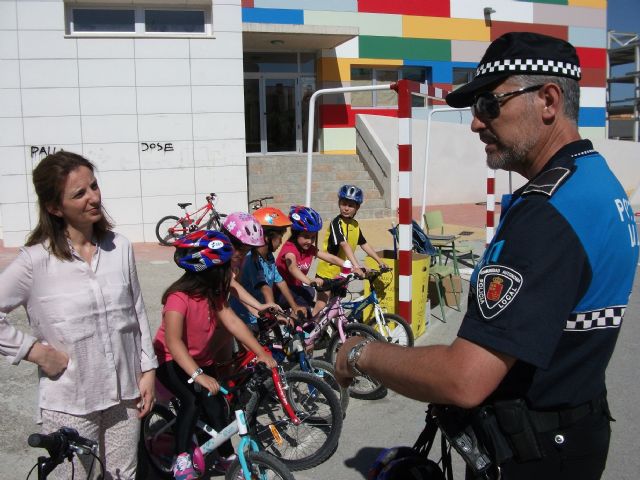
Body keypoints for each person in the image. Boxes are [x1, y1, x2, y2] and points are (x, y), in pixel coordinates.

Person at [334, 32, 639, 480]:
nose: (477, 123)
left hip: (531, 453)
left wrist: (360, 353)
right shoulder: (597, 181)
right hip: (575, 430)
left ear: (548, 100)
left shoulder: (548, 212)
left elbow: (464, 378)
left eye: (489, 105)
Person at [0, 151, 157, 479]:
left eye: (94, 186)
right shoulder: (35, 262)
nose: (94, 197)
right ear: (55, 208)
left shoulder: (120, 248)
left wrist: (148, 370)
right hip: (70, 399)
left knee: (122, 475)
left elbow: (137, 311)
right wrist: (36, 352)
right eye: (80, 193)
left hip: (124, 397)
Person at [153, 229, 277, 479]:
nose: (231, 273)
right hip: (171, 361)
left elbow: (233, 323)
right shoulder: (178, 298)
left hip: (201, 359)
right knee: (191, 402)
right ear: (208, 270)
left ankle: (223, 457)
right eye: (225, 267)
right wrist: (198, 375)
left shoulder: (214, 294)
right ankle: (181, 458)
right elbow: (174, 343)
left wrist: (260, 352)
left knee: (217, 407)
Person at [233, 207, 304, 328]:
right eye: (280, 236)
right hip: (245, 317)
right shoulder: (251, 258)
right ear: (266, 237)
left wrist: (295, 307)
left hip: (260, 313)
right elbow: (264, 287)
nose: (281, 241)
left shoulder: (269, 256)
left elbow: (280, 281)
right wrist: (275, 313)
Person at [275, 205, 344, 315]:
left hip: (295, 289)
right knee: (308, 293)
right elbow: (292, 268)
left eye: (313, 237)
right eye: (306, 236)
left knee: (309, 297)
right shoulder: (289, 250)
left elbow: (329, 257)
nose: (309, 241)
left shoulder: (308, 249)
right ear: (296, 233)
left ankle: (300, 326)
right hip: (280, 292)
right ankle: (297, 330)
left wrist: (348, 265)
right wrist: (310, 281)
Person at [315, 184, 387, 280]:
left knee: (340, 295)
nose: (346, 208)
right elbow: (344, 244)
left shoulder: (355, 225)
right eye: (344, 204)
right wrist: (357, 266)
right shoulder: (336, 223)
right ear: (339, 204)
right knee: (326, 295)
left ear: (357, 208)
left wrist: (380, 261)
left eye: (350, 205)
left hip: (345, 272)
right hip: (328, 272)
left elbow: (364, 244)